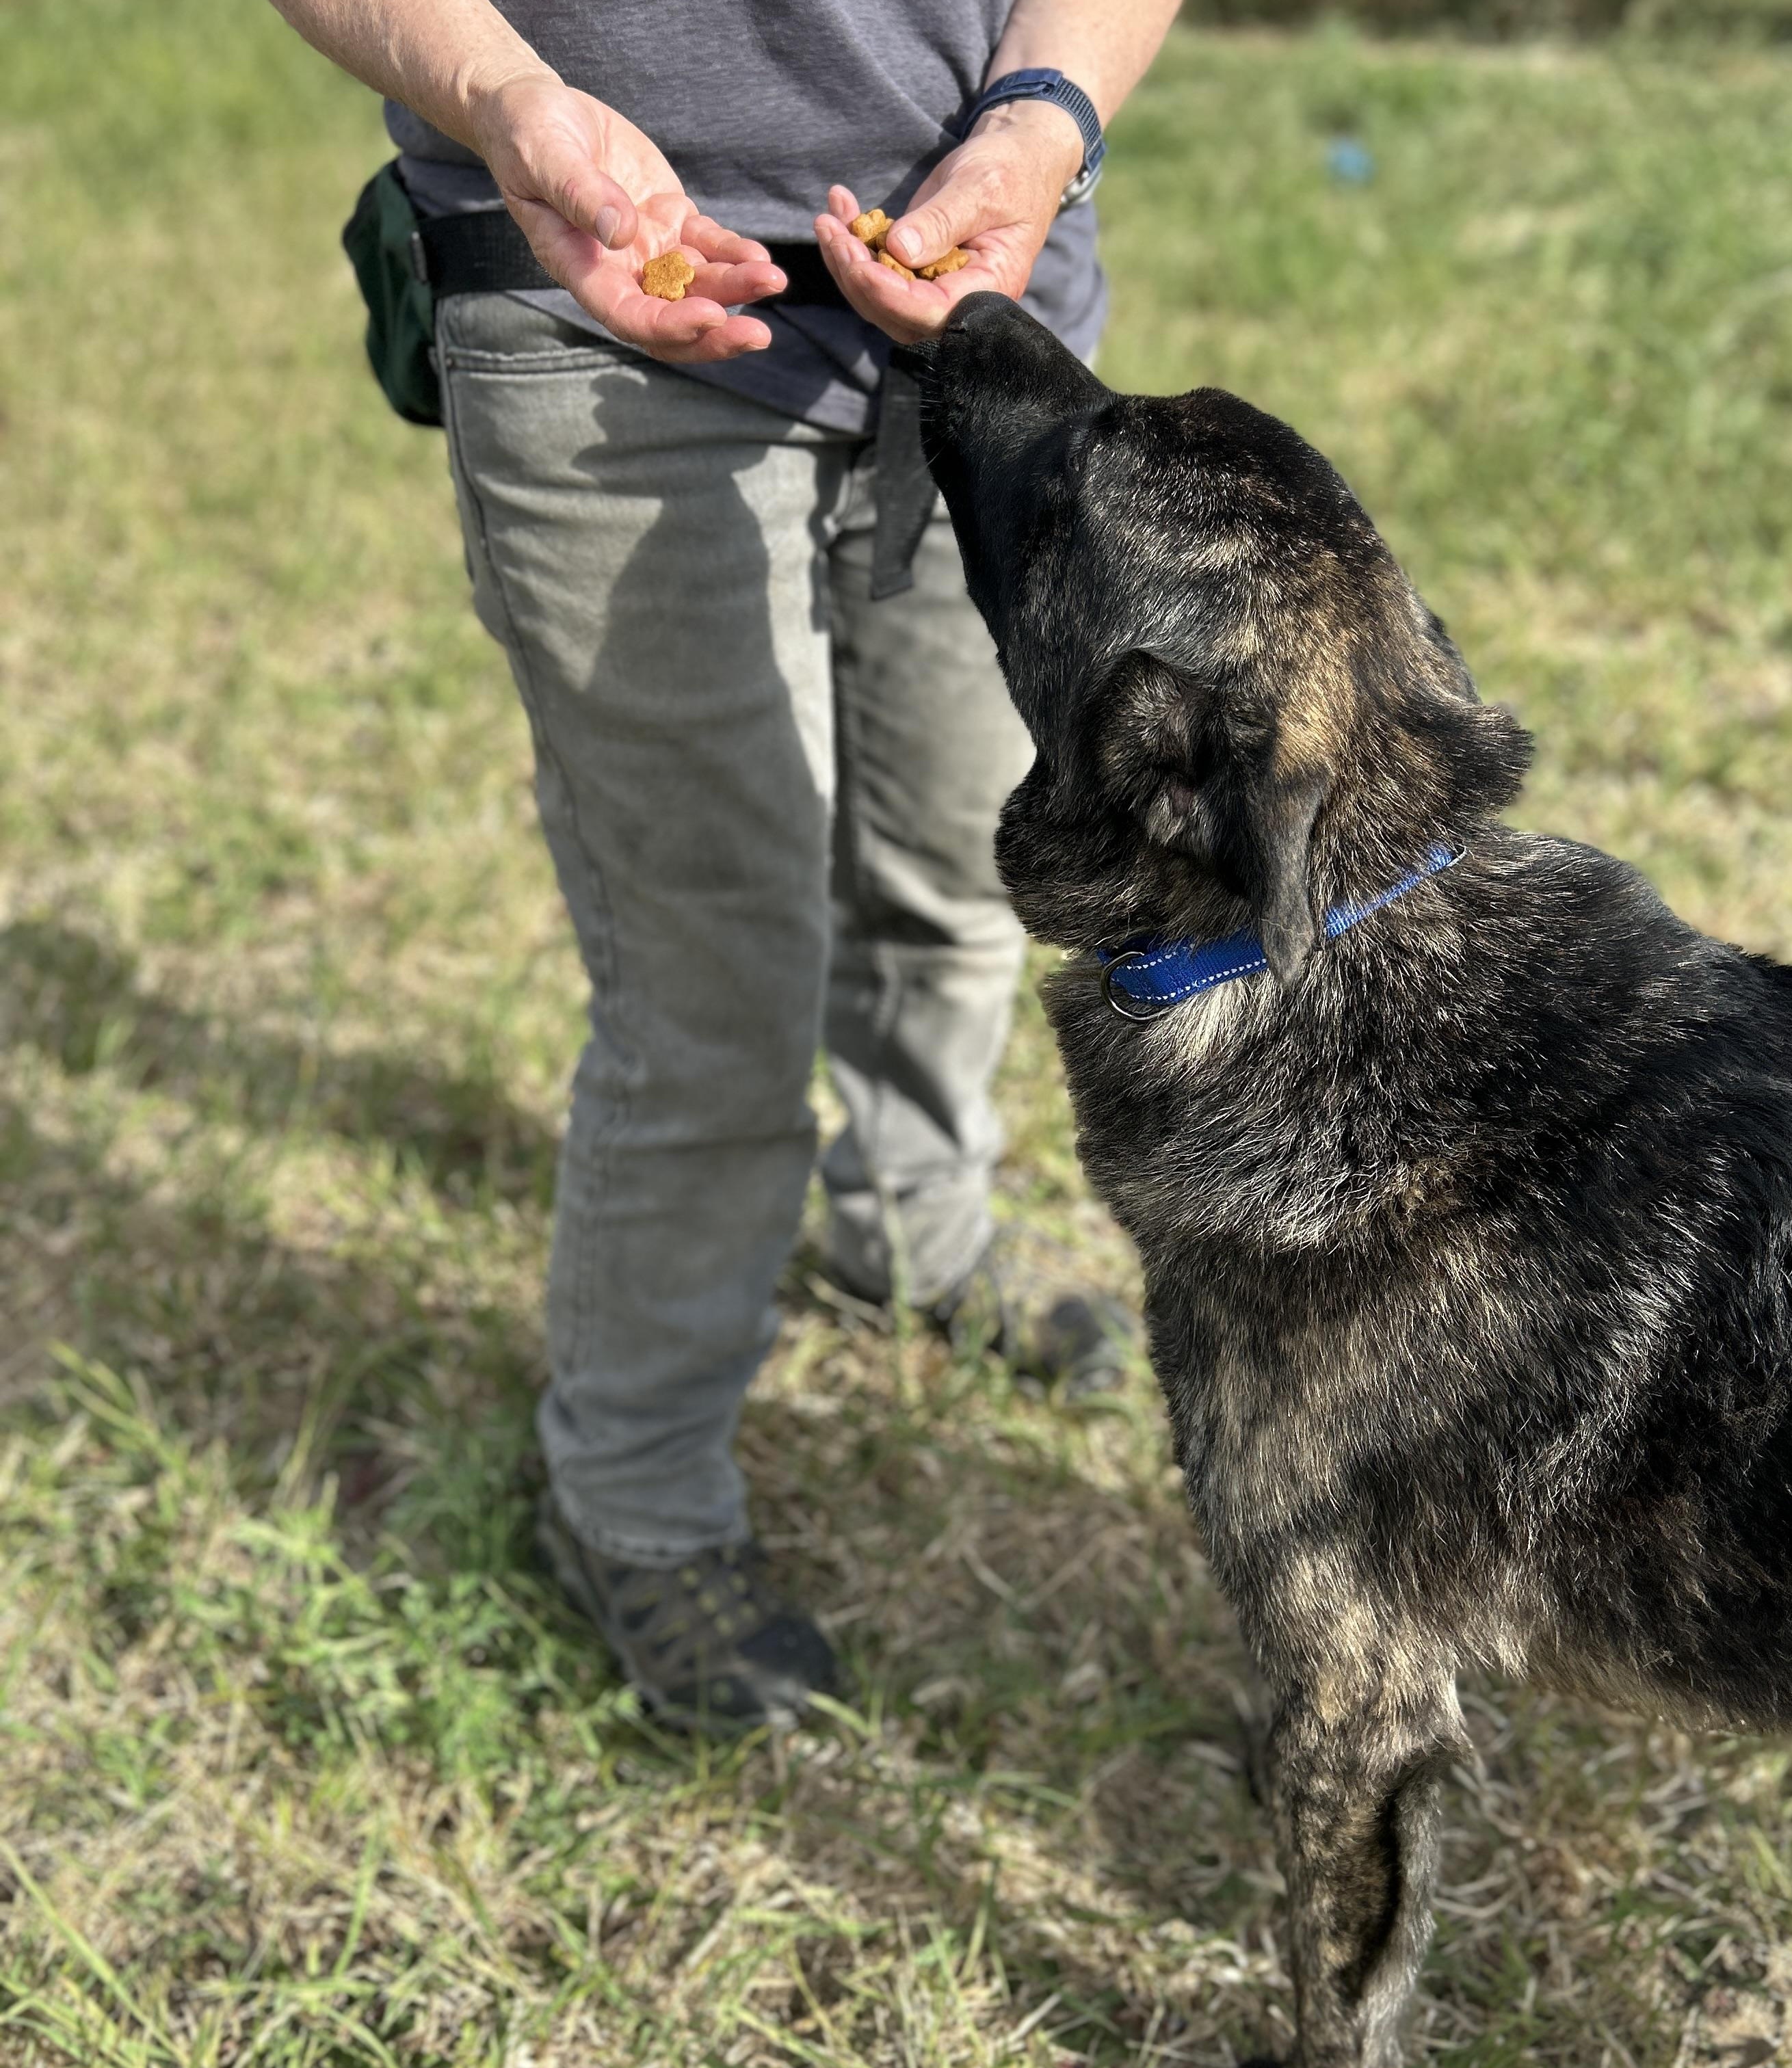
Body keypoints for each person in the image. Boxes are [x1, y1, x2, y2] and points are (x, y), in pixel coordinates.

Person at [268, 0, 1182, 1734]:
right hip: (592, 309)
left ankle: (905, 1229)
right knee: (720, 987)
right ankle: (633, 1495)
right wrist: (515, 103)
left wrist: (1044, 118)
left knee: (958, 864)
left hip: (982, 327)